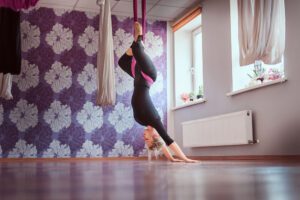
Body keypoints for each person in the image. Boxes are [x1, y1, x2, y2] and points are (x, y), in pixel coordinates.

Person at [118, 22, 198, 163]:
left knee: (122, 62)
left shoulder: (140, 120)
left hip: (137, 75)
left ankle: (136, 43)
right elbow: (168, 141)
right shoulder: (154, 119)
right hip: (148, 75)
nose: (144, 136)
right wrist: (185, 159)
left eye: (145, 139)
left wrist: (171, 160)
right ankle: (138, 39)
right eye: (148, 138)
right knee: (138, 50)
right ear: (155, 134)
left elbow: (161, 145)